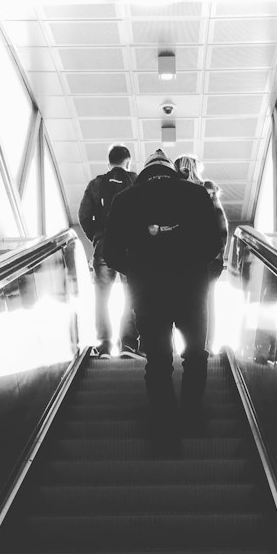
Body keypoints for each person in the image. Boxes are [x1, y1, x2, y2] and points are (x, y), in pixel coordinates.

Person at [102, 148, 225, 428]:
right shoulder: (195, 195)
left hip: (147, 294)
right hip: (191, 290)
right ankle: (192, 418)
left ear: (144, 174)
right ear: (170, 172)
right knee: (195, 355)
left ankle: (165, 426)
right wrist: (193, 264)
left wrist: (135, 270)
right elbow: (213, 242)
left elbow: (110, 253)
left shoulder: (124, 199)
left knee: (158, 362)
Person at [77, 144, 140, 358]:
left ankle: (104, 344)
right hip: (130, 247)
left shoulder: (96, 184)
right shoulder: (135, 181)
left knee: (102, 296)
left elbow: (84, 216)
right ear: (127, 162)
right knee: (131, 295)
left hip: (103, 247)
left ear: (109, 161)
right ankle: (128, 343)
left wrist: (96, 237)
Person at [175, 155, 229, 349]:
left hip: (181, 260)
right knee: (206, 303)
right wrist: (217, 255)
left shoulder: (173, 192)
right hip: (208, 259)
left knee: (177, 302)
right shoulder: (207, 190)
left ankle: (177, 348)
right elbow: (221, 225)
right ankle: (205, 347)